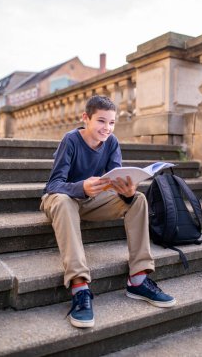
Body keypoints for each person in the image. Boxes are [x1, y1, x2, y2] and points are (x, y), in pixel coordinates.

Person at [40, 95, 176, 328]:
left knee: (138, 200)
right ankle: (80, 286)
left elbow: (115, 179)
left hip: (91, 202)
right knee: (63, 201)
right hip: (60, 201)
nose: (107, 128)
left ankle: (139, 278)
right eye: (102, 121)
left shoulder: (112, 142)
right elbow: (53, 184)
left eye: (112, 122)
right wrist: (81, 186)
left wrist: (128, 190)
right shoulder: (70, 140)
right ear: (86, 118)